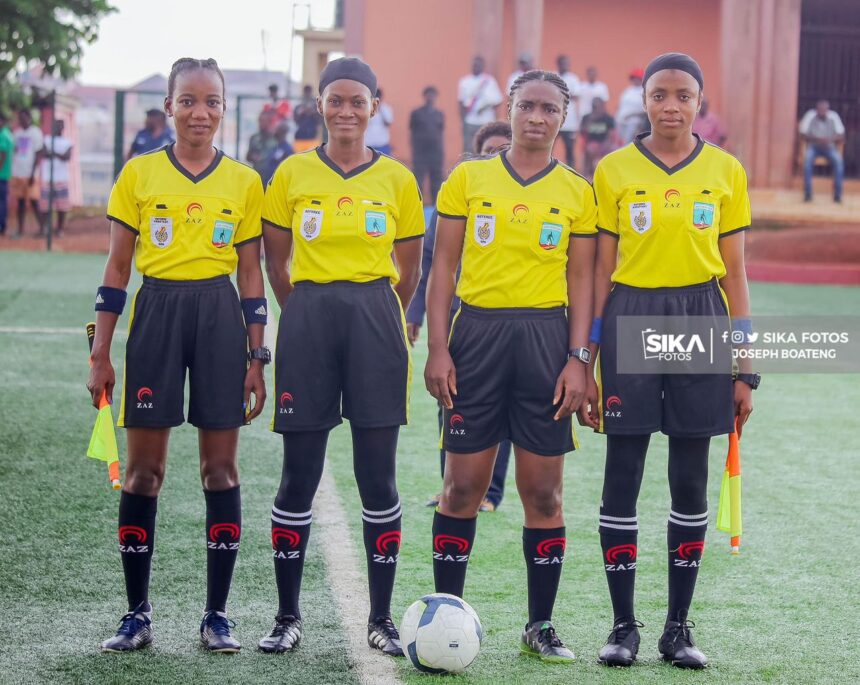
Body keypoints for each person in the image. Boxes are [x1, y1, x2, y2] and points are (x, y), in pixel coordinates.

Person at [88, 57, 267, 654]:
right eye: (188, 100)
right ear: (169, 106)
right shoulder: (139, 175)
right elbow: (117, 269)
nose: (200, 112)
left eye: (212, 101)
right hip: (158, 315)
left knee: (221, 469)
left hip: (219, 320)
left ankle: (217, 616)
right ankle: (136, 614)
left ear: (223, 108)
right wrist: (102, 354)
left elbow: (249, 273)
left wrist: (257, 356)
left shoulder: (244, 181)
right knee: (143, 473)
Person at [586, 52, 755, 670]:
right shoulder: (613, 170)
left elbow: (735, 273)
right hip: (631, 315)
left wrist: (746, 366)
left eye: (684, 95)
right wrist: (591, 355)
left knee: (689, 475)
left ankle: (677, 629)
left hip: (700, 318)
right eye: (660, 94)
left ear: (699, 103)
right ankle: (623, 627)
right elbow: (602, 270)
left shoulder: (726, 172)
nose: (671, 106)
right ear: (645, 101)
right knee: (622, 471)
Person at [425, 70, 597, 662]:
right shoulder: (468, 179)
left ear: (563, 116)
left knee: (544, 494)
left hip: (546, 340)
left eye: (550, 108)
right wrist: (439, 347)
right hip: (476, 337)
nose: (537, 117)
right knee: (462, 485)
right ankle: (445, 613)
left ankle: (540, 624)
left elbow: (582, 281)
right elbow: (442, 266)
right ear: (511, 108)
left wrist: (580, 361)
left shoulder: (578, 191)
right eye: (528, 106)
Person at [259, 57, 424, 656]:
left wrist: (379, 310)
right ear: (320, 105)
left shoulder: (398, 180)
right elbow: (275, 262)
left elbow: (409, 266)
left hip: (376, 320)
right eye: (336, 100)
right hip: (308, 320)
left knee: (376, 475)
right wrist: (301, 311)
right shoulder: (292, 172)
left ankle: (379, 617)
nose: (346, 111)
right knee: (298, 473)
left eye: (358, 101)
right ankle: (285, 617)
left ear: (375, 106)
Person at [410, 121, 514, 513]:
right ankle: (450, 486)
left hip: (505, 318)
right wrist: (416, 311)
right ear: (476, 153)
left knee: (500, 409)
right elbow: (432, 260)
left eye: (503, 148)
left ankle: (490, 492)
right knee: (450, 402)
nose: (497, 155)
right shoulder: (458, 194)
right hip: (457, 320)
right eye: (489, 150)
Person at [799, 99, 845, 203]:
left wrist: (830, 140)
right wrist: (817, 139)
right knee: (807, 163)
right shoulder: (810, 116)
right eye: (820, 110)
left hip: (830, 147)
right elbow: (802, 134)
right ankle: (808, 194)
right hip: (814, 147)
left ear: (828, 110)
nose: (822, 112)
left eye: (824, 110)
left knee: (839, 163)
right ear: (817, 109)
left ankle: (837, 196)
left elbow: (841, 135)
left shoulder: (833, 117)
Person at [35, 119, 73, 236]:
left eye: (60, 126)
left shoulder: (68, 142)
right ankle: (45, 228)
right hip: (48, 178)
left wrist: (53, 153)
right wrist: (58, 154)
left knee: (62, 207)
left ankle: (59, 229)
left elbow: (66, 156)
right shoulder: (46, 139)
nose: (58, 127)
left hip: (61, 178)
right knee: (45, 206)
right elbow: (45, 153)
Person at [458, 55, 503, 152]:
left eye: (478, 65)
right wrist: (463, 121)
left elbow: (497, 101)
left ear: (483, 66)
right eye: (474, 65)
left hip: (486, 121)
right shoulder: (465, 82)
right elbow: (461, 102)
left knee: (485, 148)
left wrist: (485, 108)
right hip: (470, 121)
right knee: (468, 149)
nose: (475, 67)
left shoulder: (489, 81)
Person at [9, 109, 42, 237]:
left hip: (30, 173)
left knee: (34, 202)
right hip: (18, 172)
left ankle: (42, 228)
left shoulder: (35, 132)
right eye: (20, 118)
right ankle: (20, 229)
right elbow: (15, 151)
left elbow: (38, 154)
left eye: (23, 117)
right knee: (20, 202)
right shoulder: (16, 134)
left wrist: (33, 174)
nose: (21, 120)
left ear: (29, 118)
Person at [409, 86, 445, 203]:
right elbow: (412, 130)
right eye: (428, 94)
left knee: (436, 180)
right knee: (418, 179)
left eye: (433, 95)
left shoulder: (439, 114)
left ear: (435, 97)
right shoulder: (416, 113)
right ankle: (417, 204)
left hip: (435, 152)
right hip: (420, 152)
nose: (430, 97)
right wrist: (414, 149)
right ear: (424, 96)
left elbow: (440, 132)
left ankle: (436, 205)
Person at [556, 54, 581, 168]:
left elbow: (576, 95)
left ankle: (571, 170)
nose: (566, 65)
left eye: (567, 63)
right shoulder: (553, 76)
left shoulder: (573, 78)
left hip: (569, 121)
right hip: (554, 119)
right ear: (559, 64)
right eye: (563, 63)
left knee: (570, 149)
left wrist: (558, 94)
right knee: (548, 146)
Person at [581, 97, 616, 178]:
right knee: (591, 148)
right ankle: (589, 174)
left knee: (614, 150)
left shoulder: (608, 118)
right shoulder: (586, 117)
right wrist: (591, 120)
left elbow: (611, 135)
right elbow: (583, 132)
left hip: (605, 142)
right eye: (594, 107)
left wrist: (606, 145)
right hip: (591, 143)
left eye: (597, 106)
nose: (595, 109)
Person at [616, 69, 646, 144]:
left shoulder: (644, 91)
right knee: (620, 142)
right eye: (634, 78)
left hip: (634, 122)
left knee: (628, 142)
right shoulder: (627, 90)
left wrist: (631, 115)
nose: (635, 80)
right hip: (621, 121)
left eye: (637, 78)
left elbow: (645, 110)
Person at [259, 120, 294, 185]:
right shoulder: (275, 146)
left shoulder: (287, 149)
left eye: (277, 130)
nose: (274, 132)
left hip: (277, 182)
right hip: (267, 181)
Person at [246, 110, 278, 178]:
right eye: (260, 121)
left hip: (272, 176)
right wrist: (253, 157)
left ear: (269, 122)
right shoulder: (254, 138)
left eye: (264, 121)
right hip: (257, 175)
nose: (261, 123)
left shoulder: (276, 138)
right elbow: (248, 157)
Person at [293, 84, 323, 153]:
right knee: (299, 156)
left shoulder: (316, 106)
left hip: (312, 135)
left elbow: (320, 120)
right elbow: (295, 119)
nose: (307, 93)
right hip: (300, 135)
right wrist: (302, 112)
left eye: (308, 91)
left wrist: (312, 113)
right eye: (306, 91)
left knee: (312, 155)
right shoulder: (299, 105)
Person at [365, 87, 394, 155]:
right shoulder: (365, 109)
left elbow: (388, 123)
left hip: (382, 143)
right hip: (368, 143)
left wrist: (380, 109)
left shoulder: (386, 108)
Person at [0, 111, 13, 235]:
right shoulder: (8, 134)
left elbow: (2, 155)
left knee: (1, 202)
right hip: (4, 175)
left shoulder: (3, 135)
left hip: (1, 175)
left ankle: (2, 225)